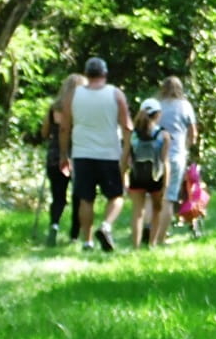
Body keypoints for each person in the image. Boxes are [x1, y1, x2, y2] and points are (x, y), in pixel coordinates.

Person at [59, 57, 131, 252]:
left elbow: (64, 127)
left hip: (82, 154)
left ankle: (87, 241)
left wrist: (63, 154)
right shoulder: (115, 94)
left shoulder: (73, 95)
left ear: (86, 74)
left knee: (86, 199)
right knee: (116, 196)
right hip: (109, 154)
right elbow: (126, 125)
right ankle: (106, 226)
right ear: (105, 74)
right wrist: (127, 152)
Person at [41, 74, 85, 246]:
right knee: (79, 196)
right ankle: (74, 235)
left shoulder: (53, 108)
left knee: (58, 196)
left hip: (54, 155)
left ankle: (54, 224)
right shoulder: (81, 108)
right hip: (77, 155)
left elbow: (44, 132)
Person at [156, 77, 199, 239]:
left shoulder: (156, 105)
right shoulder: (185, 106)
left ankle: (149, 232)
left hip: (156, 155)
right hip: (176, 155)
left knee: (153, 196)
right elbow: (193, 134)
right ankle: (161, 236)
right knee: (169, 197)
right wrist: (186, 147)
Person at [126, 99, 171, 248]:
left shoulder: (132, 135)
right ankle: (152, 244)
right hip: (156, 177)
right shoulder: (163, 135)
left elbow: (126, 158)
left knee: (138, 212)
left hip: (137, 176)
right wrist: (166, 183)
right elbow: (165, 162)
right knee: (157, 210)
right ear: (158, 114)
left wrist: (122, 176)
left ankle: (136, 246)